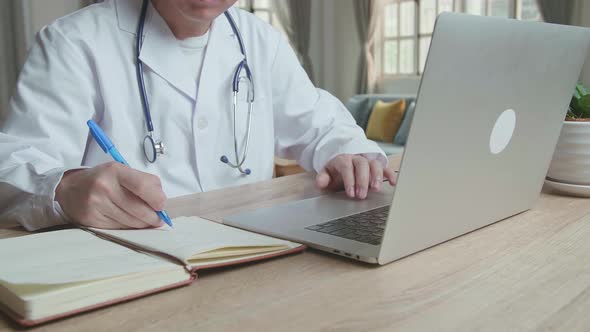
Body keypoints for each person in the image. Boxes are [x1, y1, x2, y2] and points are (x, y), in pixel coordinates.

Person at [0, 0, 395, 231]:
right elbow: (13, 165)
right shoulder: (74, 41)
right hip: (131, 264)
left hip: (250, 251)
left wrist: (348, 152)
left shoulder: (260, 40)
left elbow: (318, 121)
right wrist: (65, 189)